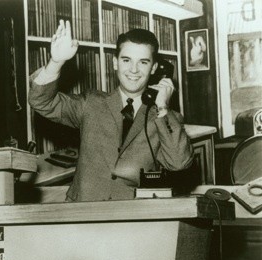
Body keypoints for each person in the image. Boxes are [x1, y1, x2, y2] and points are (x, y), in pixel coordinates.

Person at [29, 20, 193, 201]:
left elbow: (179, 163)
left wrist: (162, 107)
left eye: (143, 62)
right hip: (83, 214)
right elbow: (41, 101)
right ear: (115, 63)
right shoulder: (91, 104)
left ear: (154, 68)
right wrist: (56, 61)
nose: (133, 69)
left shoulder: (165, 118)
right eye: (126, 60)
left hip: (132, 218)